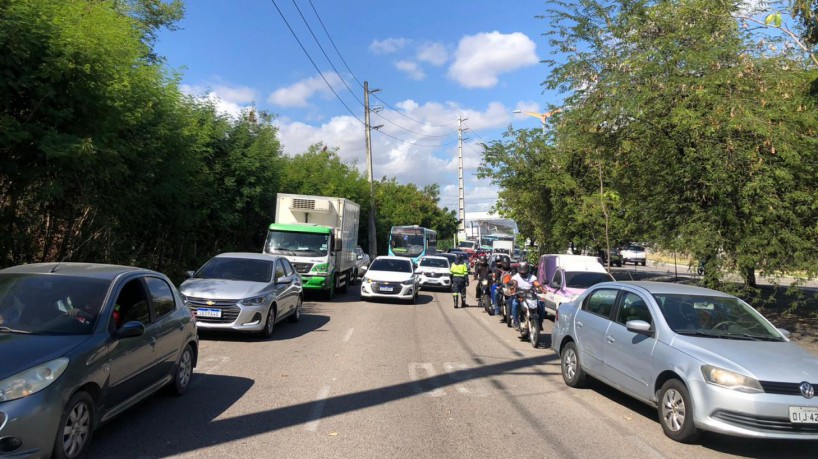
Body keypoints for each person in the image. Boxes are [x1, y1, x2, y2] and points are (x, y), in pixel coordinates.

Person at [509, 261, 546, 330]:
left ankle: (540, 322)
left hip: (530, 294)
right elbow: (514, 283)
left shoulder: (531, 276)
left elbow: (536, 283)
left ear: (527, 268)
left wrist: (542, 289)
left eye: (524, 269)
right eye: (521, 269)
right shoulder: (516, 276)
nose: (523, 271)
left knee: (541, 304)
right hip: (520, 295)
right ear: (519, 269)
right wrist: (513, 288)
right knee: (514, 303)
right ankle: (516, 322)